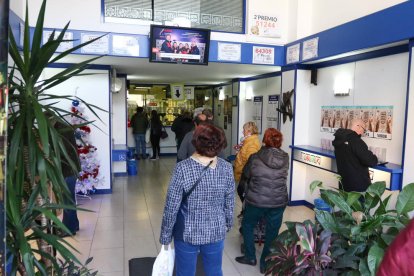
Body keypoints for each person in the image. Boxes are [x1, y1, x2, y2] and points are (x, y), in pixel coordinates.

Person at [160, 124, 235, 276]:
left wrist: (166, 235)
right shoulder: (226, 168)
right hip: (216, 230)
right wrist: (227, 223)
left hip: (187, 232)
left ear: (196, 142)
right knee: (214, 271)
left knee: (185, 273)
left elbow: (171, 206)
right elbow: (230, 201)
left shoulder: (183, 168)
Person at [235, 128, 289, 274]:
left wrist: (242, 193)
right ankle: (266, 262)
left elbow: (246, 176)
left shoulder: (255, 157)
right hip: (278, 201)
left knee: (247, 224)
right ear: (280, 141)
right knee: (273, 230)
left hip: (256, 200)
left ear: (264, 140)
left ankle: (250, 256)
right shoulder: (285, 158)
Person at [50, 114, 81, 236]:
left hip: (67, 170)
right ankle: (75, 224)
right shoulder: (64, 127)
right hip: (71, 169)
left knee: (67, 200)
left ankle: (69, 229)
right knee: (69, 199)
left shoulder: (60, 130)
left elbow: (63, 152)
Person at [332, 118, 378, 192]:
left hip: (344, 184)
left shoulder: (339, 138)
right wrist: (375, 158)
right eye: (364, 130)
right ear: (358, 126)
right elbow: (370, 161)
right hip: (358, 187)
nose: (363, 133)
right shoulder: (356, 141)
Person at [234, 121, 261, 199]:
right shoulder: (247, 141)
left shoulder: (251, 143)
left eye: (244, 130)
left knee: (244, 194)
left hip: (246, 176)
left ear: (249, 131)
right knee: (241, 192)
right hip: (243, 174)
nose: (242, 132)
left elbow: (251, 163)